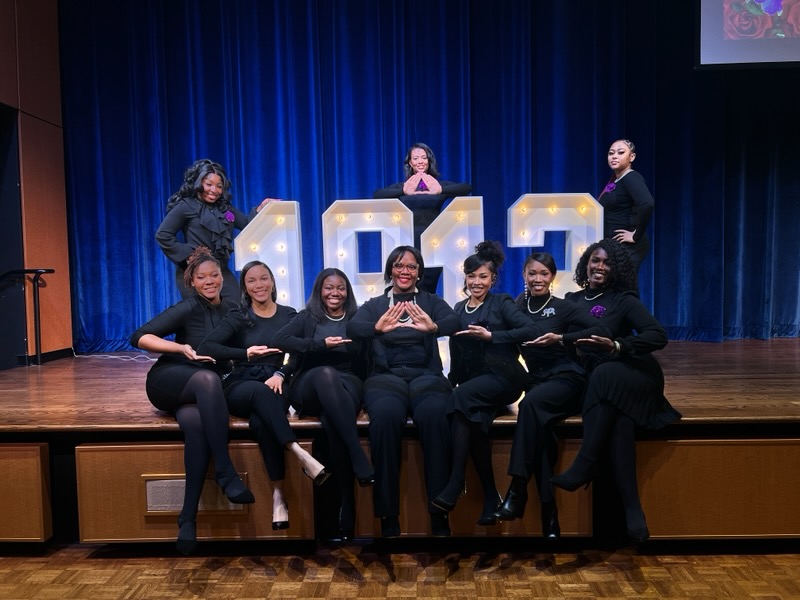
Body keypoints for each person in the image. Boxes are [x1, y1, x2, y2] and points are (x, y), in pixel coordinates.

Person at [551, 239, 680, 543]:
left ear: (617, 268)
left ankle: (585, 463)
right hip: (600, 385)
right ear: (586, 263)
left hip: (633, 373)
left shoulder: (624, 300)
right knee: (620, 420)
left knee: (608, 370)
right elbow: (563, 340)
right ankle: (634, 513)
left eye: (607, 262)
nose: (600, 267)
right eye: (596, 260)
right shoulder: (571, 299)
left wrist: (618, 345)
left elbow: (657, 336)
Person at [130, 247, 254, 555]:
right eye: (202, 277)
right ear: (192, 282)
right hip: (170, 380)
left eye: (214, 275)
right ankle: (225, 469)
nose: (210, 281)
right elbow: (140, 337)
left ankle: (187, 519)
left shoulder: (232, 309)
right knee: (206, 378)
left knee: (196, 428)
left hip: (202, 391)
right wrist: (180, 348)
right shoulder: (187, 308)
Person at [197, 260, 329, 533]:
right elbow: (207, 346)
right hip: (241, 384)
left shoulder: (290, 315)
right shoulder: (239, 315)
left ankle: (279, 495)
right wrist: (244, 354)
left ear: (272, 281)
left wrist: (281, 373)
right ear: (245, 287)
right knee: (259, 393)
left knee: (261, 423)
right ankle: (298, 453)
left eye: (264, 278)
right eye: (251, 280)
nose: (259, 285)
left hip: (276, 383)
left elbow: (299, 353)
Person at [493, 252, 609, 540]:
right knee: (541, 441)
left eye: (544, 273)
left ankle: (516, 490)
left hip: (566, 378)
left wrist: (562, 338)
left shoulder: (563, 307)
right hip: (536, 382)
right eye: (532, 273)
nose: (538, 279)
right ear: (524, 275)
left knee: (530, 405)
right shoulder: (515, 307)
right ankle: (550, 514)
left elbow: (601, 329)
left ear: (552, 277)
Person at [346, 245, 460, 537]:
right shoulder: (376, 304)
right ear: (390, 271)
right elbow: (353, 328)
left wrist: (433, 326)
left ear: (419, 272)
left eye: (411, 266)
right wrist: (377, 327)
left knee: (435, 414)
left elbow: (454, 322)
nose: (405, 271)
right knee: (384, 417)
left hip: (427, 376)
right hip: (386, 378)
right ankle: (388, 515)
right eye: (399, 266)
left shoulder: (431, 302)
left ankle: (440, 512)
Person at [430, 241, 536, 526]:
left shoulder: (501, 303)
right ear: (465, 278)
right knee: (474, 420)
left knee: (464, 399)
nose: (477, 282)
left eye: (483, 276)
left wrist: (493, 337)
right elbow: (457, 352)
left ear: (493, 279)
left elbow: (529, 329)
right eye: (471, 276)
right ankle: (491, 496)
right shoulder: (457, 308)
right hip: (475, 385)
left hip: (505, 378)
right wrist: (450, 381)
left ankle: (455, 481)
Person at [273, 268, 374, 541]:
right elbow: (280, 340)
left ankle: (347, 506)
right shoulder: (307, 317)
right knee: (326, 374)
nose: (335, 293)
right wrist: (320, 345)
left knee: (333, 420)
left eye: (340, 288)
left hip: (348, 384)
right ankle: (357, 456)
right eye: (329, 287)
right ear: (320, 290)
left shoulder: (357, 317)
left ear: (347, 292)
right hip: (310, 384)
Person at [156, 158, 277, 302]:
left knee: (236, 308)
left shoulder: (225, 208)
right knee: (204, 316)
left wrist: (260, 208)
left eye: (219, 186)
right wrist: (189, 255)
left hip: (221, 270)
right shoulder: (186, 206)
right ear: (198, 183)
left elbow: (247, 225)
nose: (214, 190)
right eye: (209, 184)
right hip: (196, 272)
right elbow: (163, 234)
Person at [373, 143, 472, 293]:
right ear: (410, 163)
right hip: (408, 242)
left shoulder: (437, 185)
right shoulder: (404, 186)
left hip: (435, 244)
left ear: (429, 161)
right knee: (407, 287)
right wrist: (404, 191)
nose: (420, 161)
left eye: (424, 157)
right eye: (416, 158)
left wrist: (439, 190)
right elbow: (377, 195)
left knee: (428, 289)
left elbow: (466, 188)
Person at [597, 139, 654, 273]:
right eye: (611, 153)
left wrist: (635, 235)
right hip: (614, 246)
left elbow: (647, 204)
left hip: (627, 246)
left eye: (621, 152)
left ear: (632, 157)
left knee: (624, 288)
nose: (614, 156)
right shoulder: (617, 180)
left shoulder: (631, 177)